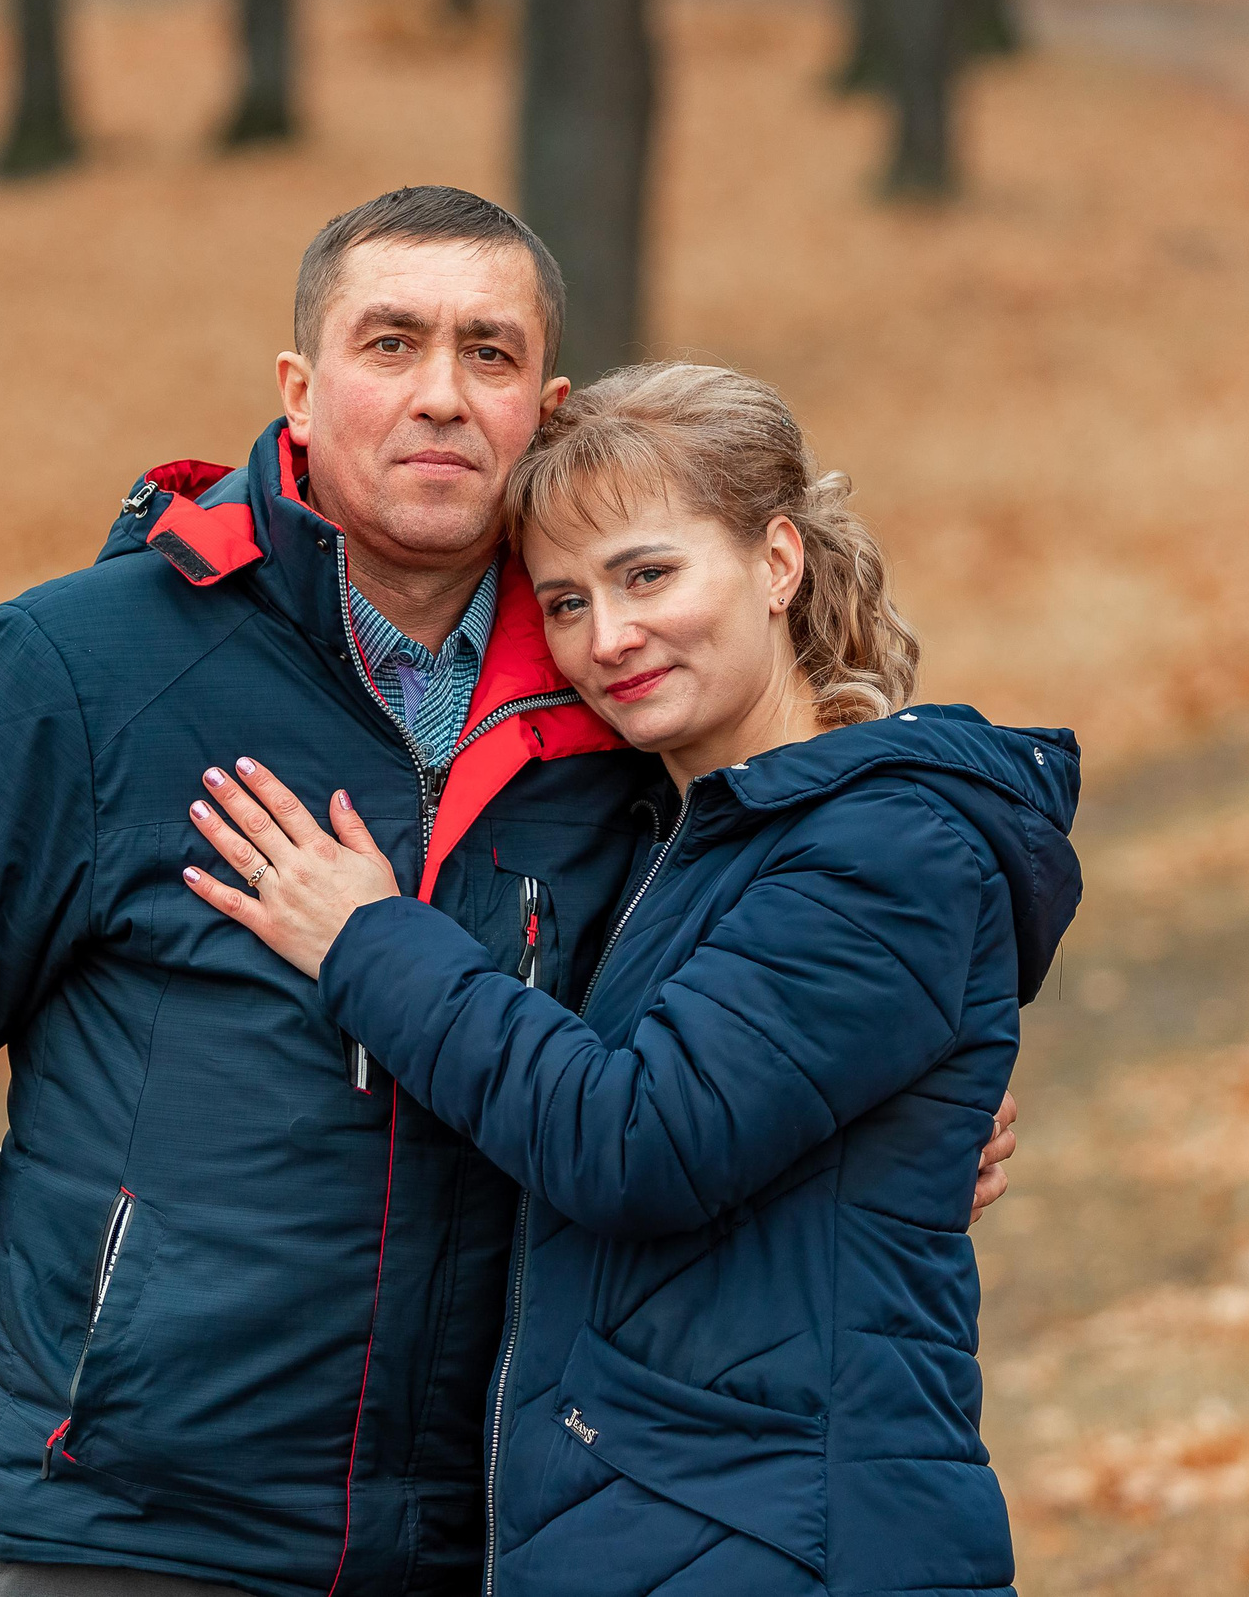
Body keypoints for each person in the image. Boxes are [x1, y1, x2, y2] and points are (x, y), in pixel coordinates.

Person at [0, 189, 1016, 1597]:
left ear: (540, 408)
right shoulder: (82, 668)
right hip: (148, 1539)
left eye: (488, 354)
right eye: (392, 343)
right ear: (301, 390)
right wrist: (27, 1391)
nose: (441, 392)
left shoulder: (614, 706)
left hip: (486, 1534)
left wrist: (899, 1130)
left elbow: (680, 1076)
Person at [178, 362, 1079, 1597]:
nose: (606, 639)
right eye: (562, 602)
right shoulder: (686, 844)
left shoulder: (887, 843)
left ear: (775, 563)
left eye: (647, 574)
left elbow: (635, 1139)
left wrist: (366, 940)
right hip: (673, 1528)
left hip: (783, 1541)